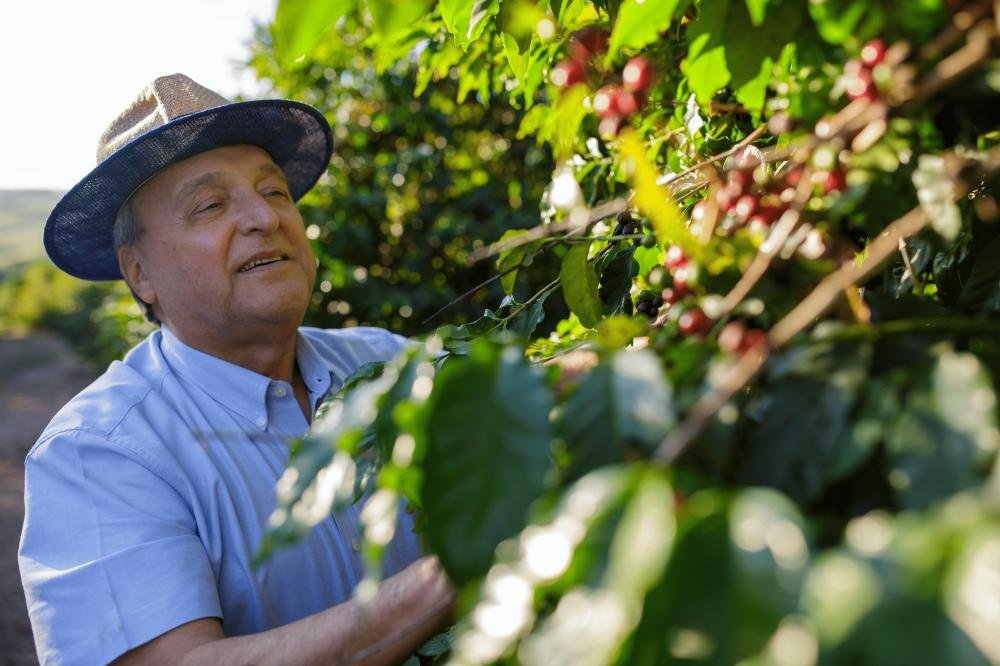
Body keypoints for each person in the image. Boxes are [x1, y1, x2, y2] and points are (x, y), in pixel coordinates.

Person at [18, 74, 454, 665]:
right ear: (139, 273)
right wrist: (457, 573)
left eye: (274, 193)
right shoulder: (98, 454)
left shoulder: (387, 361)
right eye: (211, 205)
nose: (264, 218)